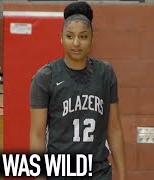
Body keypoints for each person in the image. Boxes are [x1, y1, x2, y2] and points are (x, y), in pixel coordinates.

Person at [30, 2, 125, 180]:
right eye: (69, 36)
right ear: (61, 38)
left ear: (91, 38)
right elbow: (37, 134)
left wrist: (122, 175)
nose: (76, 43)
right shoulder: (45, 77)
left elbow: (114, 129)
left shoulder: (106, 73)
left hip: (98, 172)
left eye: (83, 36)